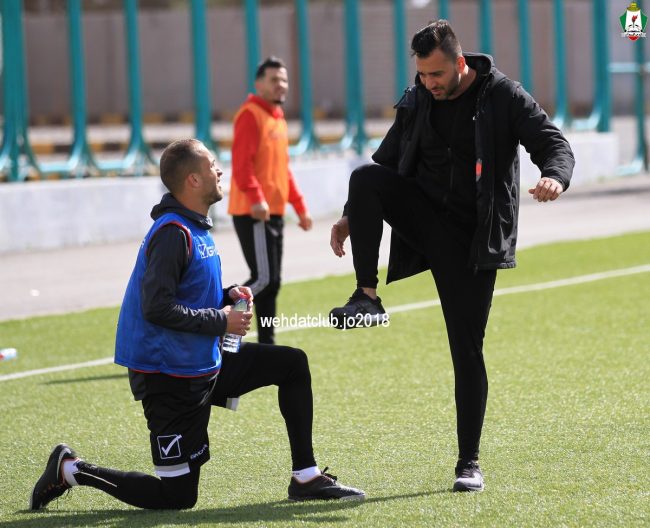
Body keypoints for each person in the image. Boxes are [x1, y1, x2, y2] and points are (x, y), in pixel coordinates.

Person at [30, 139, 364, 511]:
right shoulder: (173, 233)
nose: (219, 171)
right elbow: (156, 307)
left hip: (199, 363)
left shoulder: (195, 226)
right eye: (211, 165)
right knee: (177, 497)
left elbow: (187, 291)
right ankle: (70, 469)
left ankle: (305, 476)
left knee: (292, 364)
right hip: (167, 377)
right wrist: (222, 319)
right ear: (192, 179)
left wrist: (225, 294)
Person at [329, 20, 574, 492]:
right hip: (425, 220)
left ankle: (468, 463)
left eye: (436, 74)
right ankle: (366, 297)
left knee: (466, 350)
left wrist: (554, 176)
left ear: (460, 63)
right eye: (422, 74)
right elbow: (387, 159)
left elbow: (553, 143)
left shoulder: (503, 95)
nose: (429, 83)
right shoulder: (419, 96)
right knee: (364, 178)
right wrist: (349, 215)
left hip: (474, 239)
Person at [229, 56, 313, 345]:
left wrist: (299, 206)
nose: (281, 85)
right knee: (264, 279)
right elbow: (241, 165)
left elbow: (282, 169)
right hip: (254, 212)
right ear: (259, 84)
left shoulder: (277, 118)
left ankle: (267, 343)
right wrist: (256, 198)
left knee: (272, 283)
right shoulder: (250, 114)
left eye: (284, 80)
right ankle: (218, 315)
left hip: (273, 213)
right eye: (275, 79)